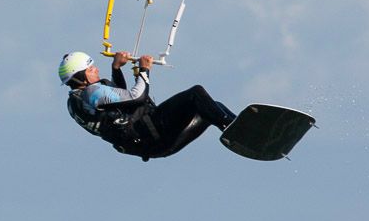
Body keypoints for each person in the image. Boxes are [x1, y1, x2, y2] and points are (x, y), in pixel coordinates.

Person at [58, 51, 236, 160]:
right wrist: (144, 70)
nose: (96, 69)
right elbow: (138, 98)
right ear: (79, 77)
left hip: (154, 147)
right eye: (90, 69)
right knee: (196, 94)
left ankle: (236, 129)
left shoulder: (75, 102)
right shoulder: (92, 93)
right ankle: (236, 130)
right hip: (152, 129)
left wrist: (116, 69)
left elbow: (120, 100)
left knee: (210, 107)